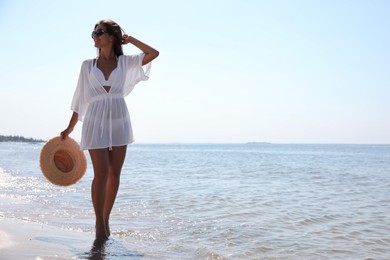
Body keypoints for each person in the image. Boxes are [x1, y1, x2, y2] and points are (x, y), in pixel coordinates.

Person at [61, 19, 159, 241]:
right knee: (102, 172)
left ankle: (106, 218)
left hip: (118, 118)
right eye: (93, 32)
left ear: (112, 37)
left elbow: (154, 53)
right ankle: (98, 223)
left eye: (99, 32)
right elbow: (80, 98)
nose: (94, 36)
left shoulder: (125, 62)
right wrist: (70, 127)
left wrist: (131, 39)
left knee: (115, 172)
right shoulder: (88, 65)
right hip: (95, 119)